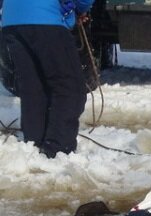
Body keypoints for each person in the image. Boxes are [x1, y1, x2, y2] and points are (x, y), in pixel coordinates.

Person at [1, 0, 94, 158]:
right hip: (46, 20)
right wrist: (80, 9)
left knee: (33, 88)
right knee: (70, 88)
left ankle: (34, 143)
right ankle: (58, 149)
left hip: (12, 21)